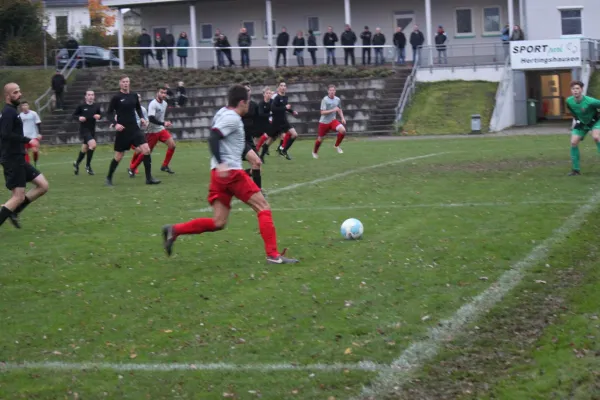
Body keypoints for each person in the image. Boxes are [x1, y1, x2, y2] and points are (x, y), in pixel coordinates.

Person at [161, 84, 298, 264]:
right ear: (241, 102)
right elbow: (214, 137)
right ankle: (273, 255)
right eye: (248, 101)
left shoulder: (222, 113)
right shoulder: (232, 118)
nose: (250, 104)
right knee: (263, 207)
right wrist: (223, 163)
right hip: (231, 172)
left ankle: (174, 230)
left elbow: (224, 138)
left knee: (219, 222)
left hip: (218, 175)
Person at [0, 83, 49, 229]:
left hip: (18, 157)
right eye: (15, 92)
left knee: (43, 186)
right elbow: (5, 134)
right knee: (18, 197)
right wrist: (29, 140)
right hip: (13, 159)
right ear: (7, 96)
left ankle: (14, 212)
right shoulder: (8, 112)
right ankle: (11, 211)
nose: (19, 94)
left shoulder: (12, 111)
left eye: (19, 91)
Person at [105, 75, 160, 186]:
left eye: (127, 82)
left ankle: (149, 178)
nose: (126, 83)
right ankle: (109, 178)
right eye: (124, 82)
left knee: (146, 150)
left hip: (135, 129)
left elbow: (138, 108)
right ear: (120, 83)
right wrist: (116, 124)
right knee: (118, 156)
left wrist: (143, 118)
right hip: (123, 131)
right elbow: (109, 113)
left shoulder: (134, 95)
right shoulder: (116, 97)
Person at [129, 87, 177, 175]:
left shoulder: (165, 103)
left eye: (165, 93)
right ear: (157, 93)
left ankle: (164, 165)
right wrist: (163, 123)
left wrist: (163, 124)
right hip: (152, 131)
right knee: (146, 152)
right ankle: (132, 168)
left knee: (172, 145)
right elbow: (151, 118)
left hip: (161, 130)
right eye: (161, 92)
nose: (163, 95)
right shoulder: (153, 104)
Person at [565, 80, 600, 176]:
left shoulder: (590, 101)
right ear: (571, 90)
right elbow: (573, 111)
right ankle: (576, 170)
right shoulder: (569, 101)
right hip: (582, 123)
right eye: (573, 89)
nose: (575, 91)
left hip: (595, 121)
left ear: (581, 90)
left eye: (577, 88)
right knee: (573, 142)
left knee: (596, 137)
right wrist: (578, 120)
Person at [72, 90, 102, 176]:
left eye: (92, 95)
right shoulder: (81, 106)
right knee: (93, 145)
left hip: (92, 130)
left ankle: (77, 163)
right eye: (89, 95)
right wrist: (79, 118)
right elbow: (74, 116)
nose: (91, 96)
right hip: (84, 130)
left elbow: (100, 115)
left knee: (85, 149)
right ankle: (88, 166)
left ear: (94, 96)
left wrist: (99, 116)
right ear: (85, 96)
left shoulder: (96, 106)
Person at [313, 84, 347, 158]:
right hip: (324, 122)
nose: (332, 92)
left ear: (335, 91)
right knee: (320, 139)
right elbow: (322, 112)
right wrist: (333, 110)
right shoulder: (325, 100)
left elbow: (339, 109)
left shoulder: (337, 99)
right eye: (330, 90)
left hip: (332, 121)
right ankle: (315, 152)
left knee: (343, 131)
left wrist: (342, 118)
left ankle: (336, 145)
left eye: (333, 90)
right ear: (328, 91)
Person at [240, 82, 263, 191]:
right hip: (239, 140)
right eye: (245, 90)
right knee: (256, 163)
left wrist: (257, 137)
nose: (247, 92)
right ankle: (258, 191)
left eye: (248, 90)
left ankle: (239, 176)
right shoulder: (237, 105)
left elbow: (258, 123)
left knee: (258, 167)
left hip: (249, 139)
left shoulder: (254, 105)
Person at [271, 82, 299, 160]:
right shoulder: (277, 98)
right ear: (279, 88)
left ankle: (284, 150)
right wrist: (285, 107)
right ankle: (262, 154)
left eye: (284, 86)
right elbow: (273, 109)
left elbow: (286, 107)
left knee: (295, 135)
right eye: (281, 86)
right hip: (277, 122)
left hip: (284, 120)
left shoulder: (285, 97)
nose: (283, 87)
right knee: (270, 139)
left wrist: (292, 111)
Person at [18, 102, 42, 166]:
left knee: (35, 151)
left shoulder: (33, 113)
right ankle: (27, 165)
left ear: (28, 106)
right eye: (23, 105)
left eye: (26, 105)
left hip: (33, 136)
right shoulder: (20, 115)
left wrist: (39, 133)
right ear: (21, 107)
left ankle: (35, 161)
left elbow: (38, 123)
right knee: (25, 152)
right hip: (24, 136)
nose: (25, 106)